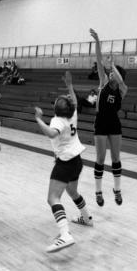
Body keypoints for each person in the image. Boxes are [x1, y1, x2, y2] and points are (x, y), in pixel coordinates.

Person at [34, 71, 93, 254]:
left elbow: (52, 133)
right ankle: (86, 218)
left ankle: (65, 234)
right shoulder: (72, 114)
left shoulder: (57, 120)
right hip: (77, 161)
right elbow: (74, 100)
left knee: (52, 198)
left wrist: (38, 119)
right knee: (72, 191)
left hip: (65, 162)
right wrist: (69, 85)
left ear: (56, 109)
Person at [90, 28, 128, 207]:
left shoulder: (122, 90)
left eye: (113, 72)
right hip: (101, 123)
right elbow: (98, 60)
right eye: (110, 72)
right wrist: (98, 41)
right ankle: (98, 191)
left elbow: (121, 82)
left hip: (114, 123)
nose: (110, 73)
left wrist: (112, 65)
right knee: (99, 159)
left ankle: (117, 189)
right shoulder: (103, 82)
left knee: (116, 158)